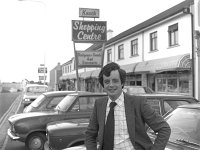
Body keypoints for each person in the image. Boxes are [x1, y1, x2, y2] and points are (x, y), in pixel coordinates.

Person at [85, 62, 171, 150]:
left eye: (115, 81)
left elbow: (164, 129)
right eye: (107, 82)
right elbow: (90, 134)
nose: (111, 85)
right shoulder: (99, 104)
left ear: (122, 83)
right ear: (103, 85)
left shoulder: (138, 103)